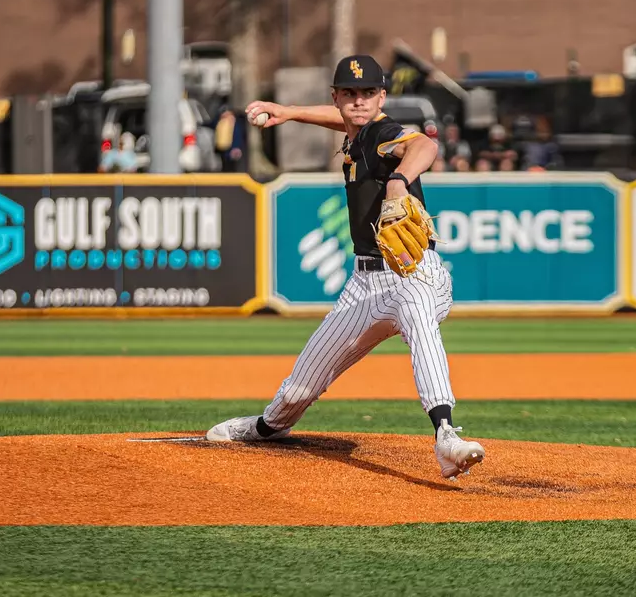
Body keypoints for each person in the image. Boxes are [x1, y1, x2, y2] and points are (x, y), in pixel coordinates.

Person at [205, 55, 486, 480]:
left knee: (418, 320)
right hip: (364, 284)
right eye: (350, 93)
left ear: (382, 97)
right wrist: (291, 112)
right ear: (336, 97)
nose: (359, 101)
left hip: (413, 272)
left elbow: (423, 145)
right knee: (302, 384)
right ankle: (267, 427)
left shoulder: (385, 134)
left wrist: (399, 180)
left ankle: (446, 434)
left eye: (368, 92)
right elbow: (348, 123)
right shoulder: (359, 133)